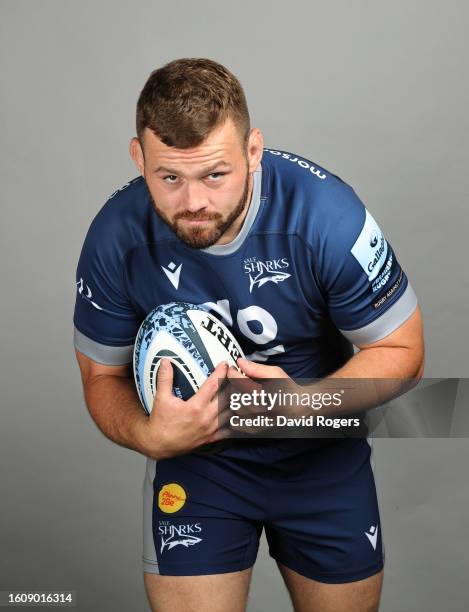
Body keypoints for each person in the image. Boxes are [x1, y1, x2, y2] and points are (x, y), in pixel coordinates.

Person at [74, 58, 424, 612]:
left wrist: (306, 408)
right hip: (199, 464)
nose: (192, 202)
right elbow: (101, 376)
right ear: (138, 157)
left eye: (215, 174)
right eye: (169, 177)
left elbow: (402, 351)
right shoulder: (116, 236)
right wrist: (149, 437)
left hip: (320, 459)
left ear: (253, 151)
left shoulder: (325, 217)